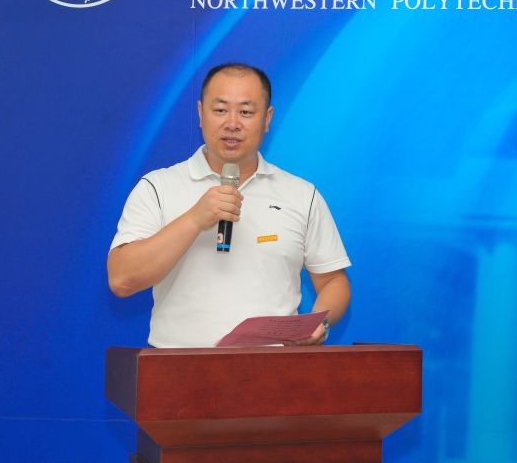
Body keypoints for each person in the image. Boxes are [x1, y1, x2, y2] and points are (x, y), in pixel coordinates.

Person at [107, 63, 351, 348]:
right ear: (201, 114)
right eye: (220, 110)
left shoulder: (301, 194)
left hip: (275, 367)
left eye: (246, 112)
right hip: (178, 367)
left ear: (267, 119)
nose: (232, 123)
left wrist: (320, 323)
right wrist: (194, 219)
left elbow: (333, 281)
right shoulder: (157, 187)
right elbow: (122, 279)